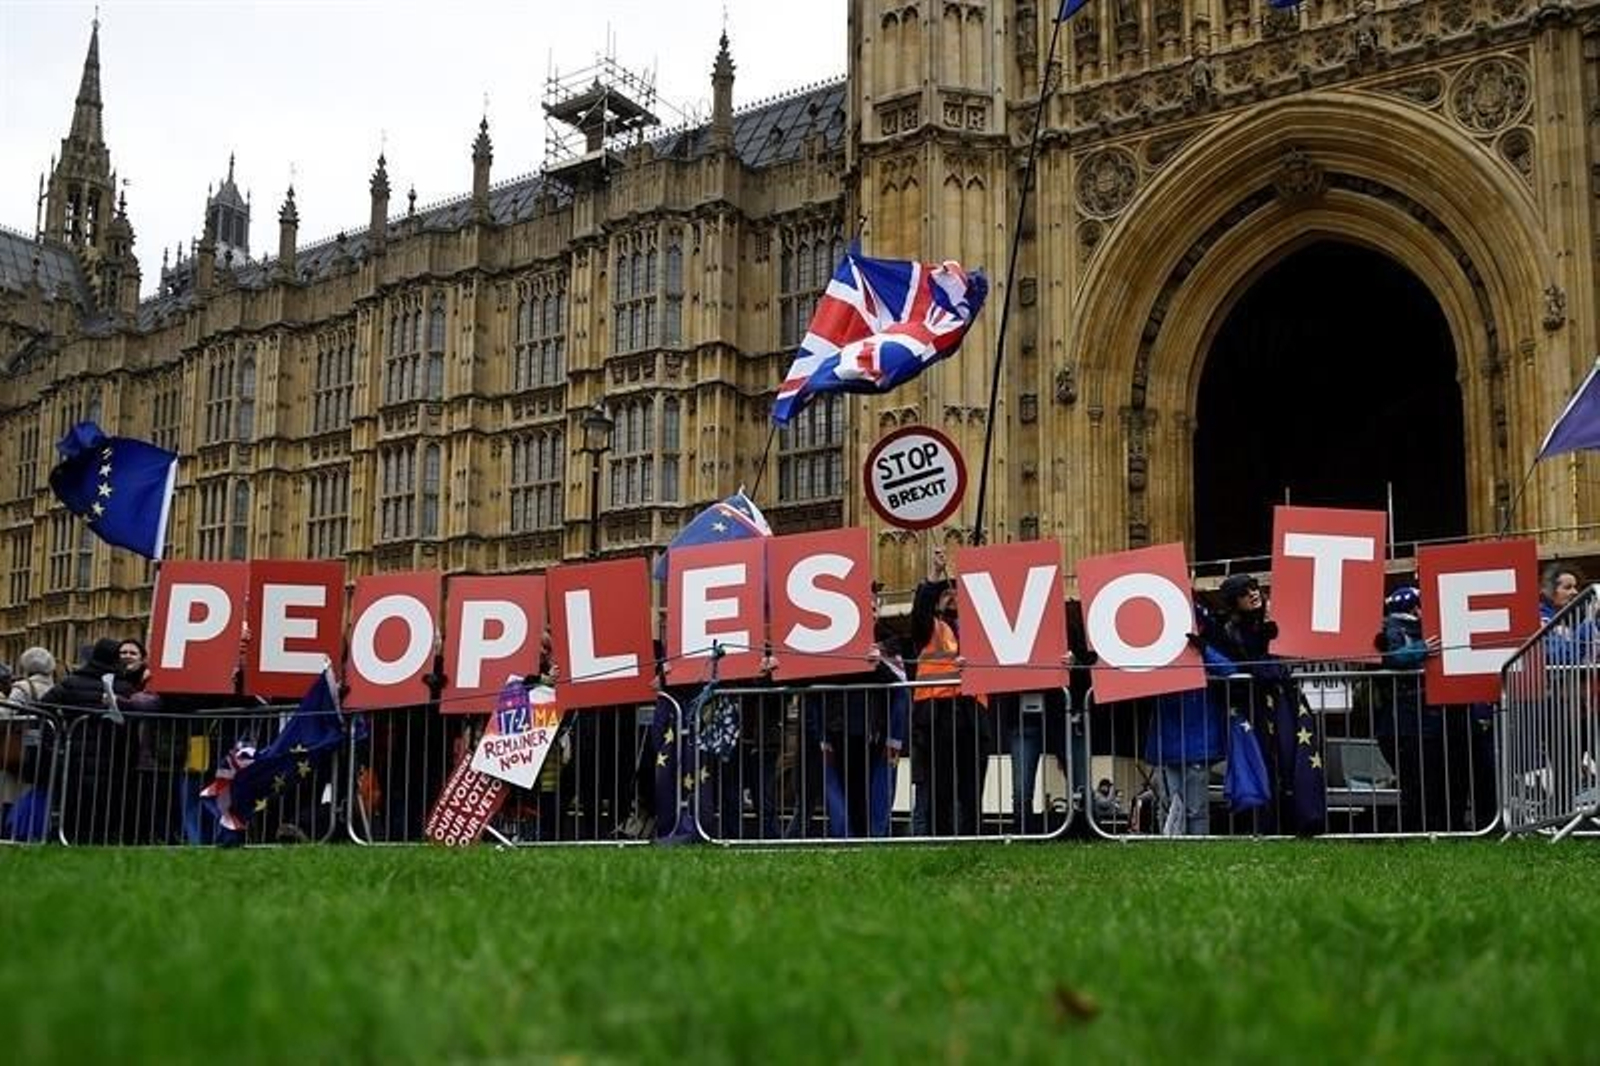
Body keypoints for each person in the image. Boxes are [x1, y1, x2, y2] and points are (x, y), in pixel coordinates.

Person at [910, 547, 990, 837]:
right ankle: (940, 839)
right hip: (938, 714)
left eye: (956, 592)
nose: (952, 596)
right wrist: (934, 575)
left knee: (971, 788)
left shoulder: (981, 628)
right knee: (940, 787)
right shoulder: (929, 627)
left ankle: (972, 839)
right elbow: (920, 610)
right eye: (946, 593)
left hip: (973, 715)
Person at [1373, 585, 1456, 832]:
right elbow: (1388, 657)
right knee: (1414, 780)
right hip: (1403, 719)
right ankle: (1403, 829)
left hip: (1420, 717)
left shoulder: (1407, 629)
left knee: (1425, 778)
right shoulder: (1391, 631)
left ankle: (1419, 828)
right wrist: (1420, 649)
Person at [43, 638, 136, 844]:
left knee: (76, 797)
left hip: (77, 751)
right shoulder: (124, 686)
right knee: (109, 799)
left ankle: (70, 837)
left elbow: (43, 706)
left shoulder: (71, 682)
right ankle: (105, 839)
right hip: (115, 752)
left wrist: (61, 725)